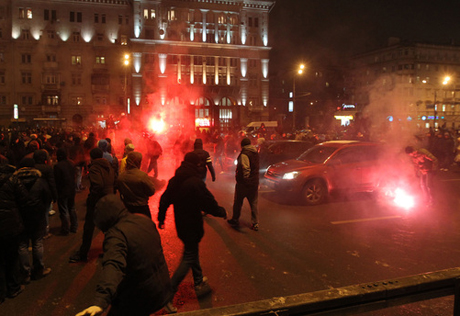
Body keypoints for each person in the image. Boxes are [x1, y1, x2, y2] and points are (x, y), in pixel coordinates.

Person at [75, 194, 174, 316]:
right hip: (162, 288)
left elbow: (113, 266)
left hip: (142, 297)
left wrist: (99, 302)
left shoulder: (116, 235)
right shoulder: (143, 220)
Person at [158, 152, 227, 304]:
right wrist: (221, 211)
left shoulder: (175, 180)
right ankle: (169, 290)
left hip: (181, 224)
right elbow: (208, 202)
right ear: (196, 165)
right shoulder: (195, 182)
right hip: (192, 226)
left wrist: (161, 217)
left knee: (192, 251)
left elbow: (165, 199)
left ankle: (198, 280)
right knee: (189, 256)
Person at [69, 148, 115, 263]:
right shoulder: (109, 166)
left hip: (98, 202)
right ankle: (109, 251)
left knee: (89, 228)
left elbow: (97, 185)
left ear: (92, 157)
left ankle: (83, 254)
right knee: (107, 228)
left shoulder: (95, 167)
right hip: (108, 199)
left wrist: (92, 199)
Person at [14, 158, 52, 282]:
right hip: (37, 216)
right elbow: (47, 197)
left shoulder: (14, 181)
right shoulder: (40, 181)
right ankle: (39, 269)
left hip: (20, 216)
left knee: (23, 244)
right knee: (37, 243)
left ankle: (25, 273)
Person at [0, 162, 25, 303]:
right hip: (10, 225)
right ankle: (13, 288)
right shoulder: (12, 179)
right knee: (11, 258)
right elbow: (24, 198)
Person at [227, 137, 260, 231]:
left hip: (244, 184)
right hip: (254, 182)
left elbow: (246, 168)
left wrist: (245, 180)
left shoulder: (245, 154)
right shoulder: (255, 152)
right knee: (253, 203)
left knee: (238, 202)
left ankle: (235, 219)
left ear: (243, 146)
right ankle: (255, 223)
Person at [117, 151, 155, 219]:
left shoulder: (121, 177)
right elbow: (151, 191)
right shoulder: (142, 176)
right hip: (142, 208)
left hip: (127, 208)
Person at [53, 148, 78, 235]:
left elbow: (57, 180)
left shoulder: (57, 166)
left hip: (62, 191)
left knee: (64, 210)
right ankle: (74, 227)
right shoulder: (71, 163)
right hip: (71, 189)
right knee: (72, 208)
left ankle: (65, 229)